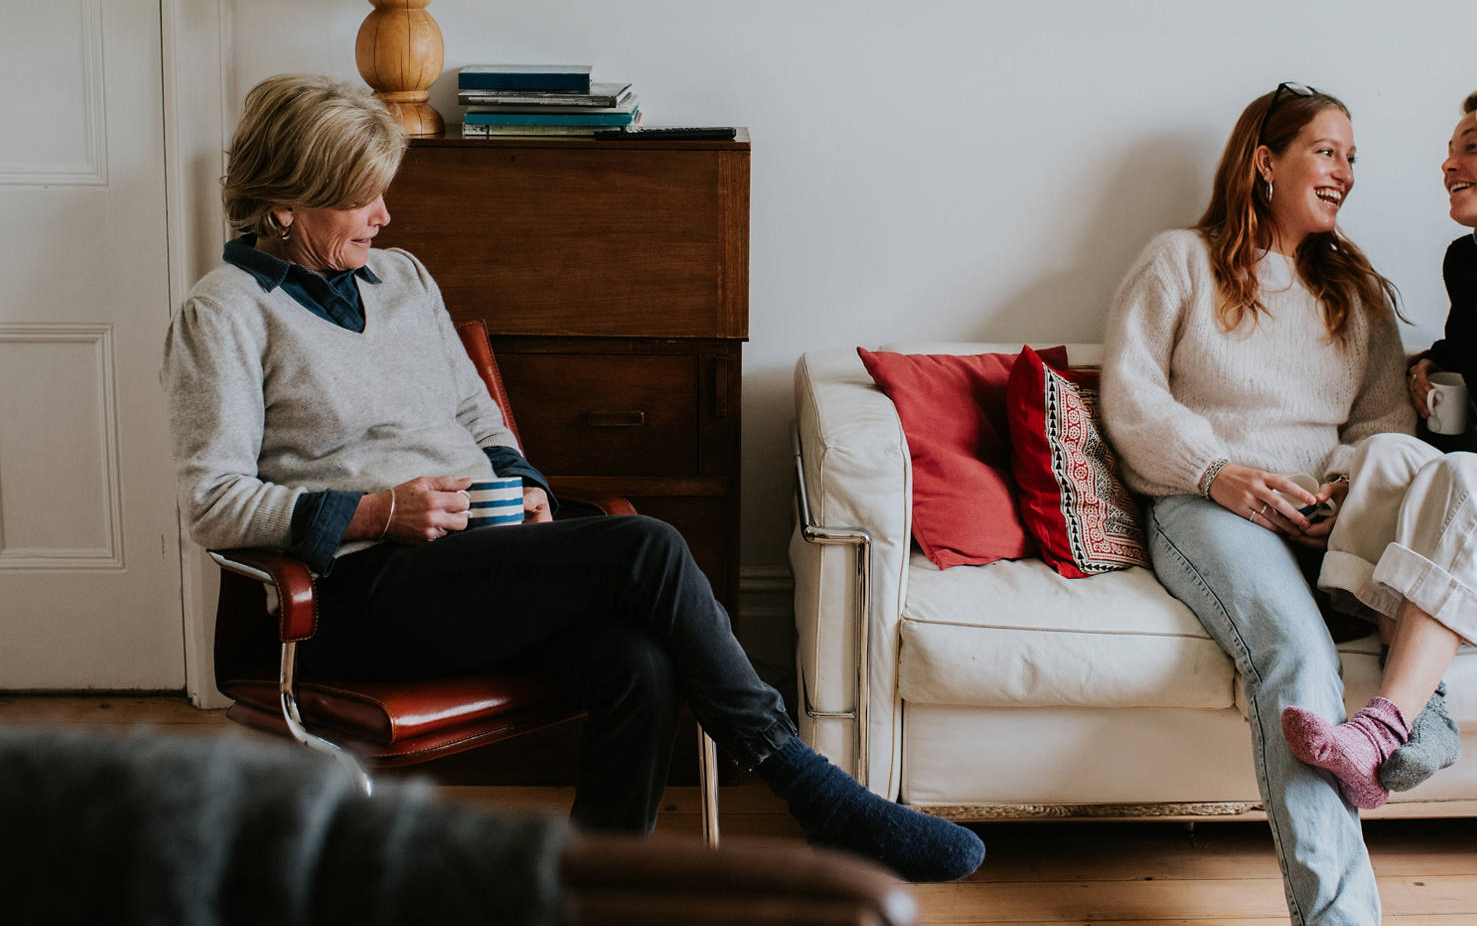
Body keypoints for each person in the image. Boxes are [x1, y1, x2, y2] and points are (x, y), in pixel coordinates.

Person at [161, 74, 984, 883]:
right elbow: (212, 502)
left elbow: (477, 416)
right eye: (361, 199)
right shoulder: (224, 314)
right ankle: (810, 785)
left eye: (385, 193)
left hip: (473, 566)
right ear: (284, 204)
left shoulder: (403, 276)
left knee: (637, 662)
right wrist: (379, 511)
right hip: (362, 595)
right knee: (648, 547)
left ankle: (594, 890)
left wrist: (527, 486)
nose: (385, 215)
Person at [1098, 83, 1477, 925]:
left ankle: (1419, 712)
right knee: (1299, 656)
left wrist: (1340, 491)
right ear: (1266, 161)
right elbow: (1132, 398)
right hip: (1209, 508)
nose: (1345, 172)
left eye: (1353, 158)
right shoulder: (1180, 261)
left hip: (1329, 517)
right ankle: (1339, 916)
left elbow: (1382, 422)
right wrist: (1217, 470)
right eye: (1328, 151)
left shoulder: (1356, 289)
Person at [1284, 90, 1477, 811]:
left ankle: (1381, 722)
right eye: (1452, 148)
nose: (1447, 163)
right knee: (1388, 456)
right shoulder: (1475, 261)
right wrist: (1438, 360)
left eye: (1472, 147)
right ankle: (1428, 718)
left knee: (1464, 479)